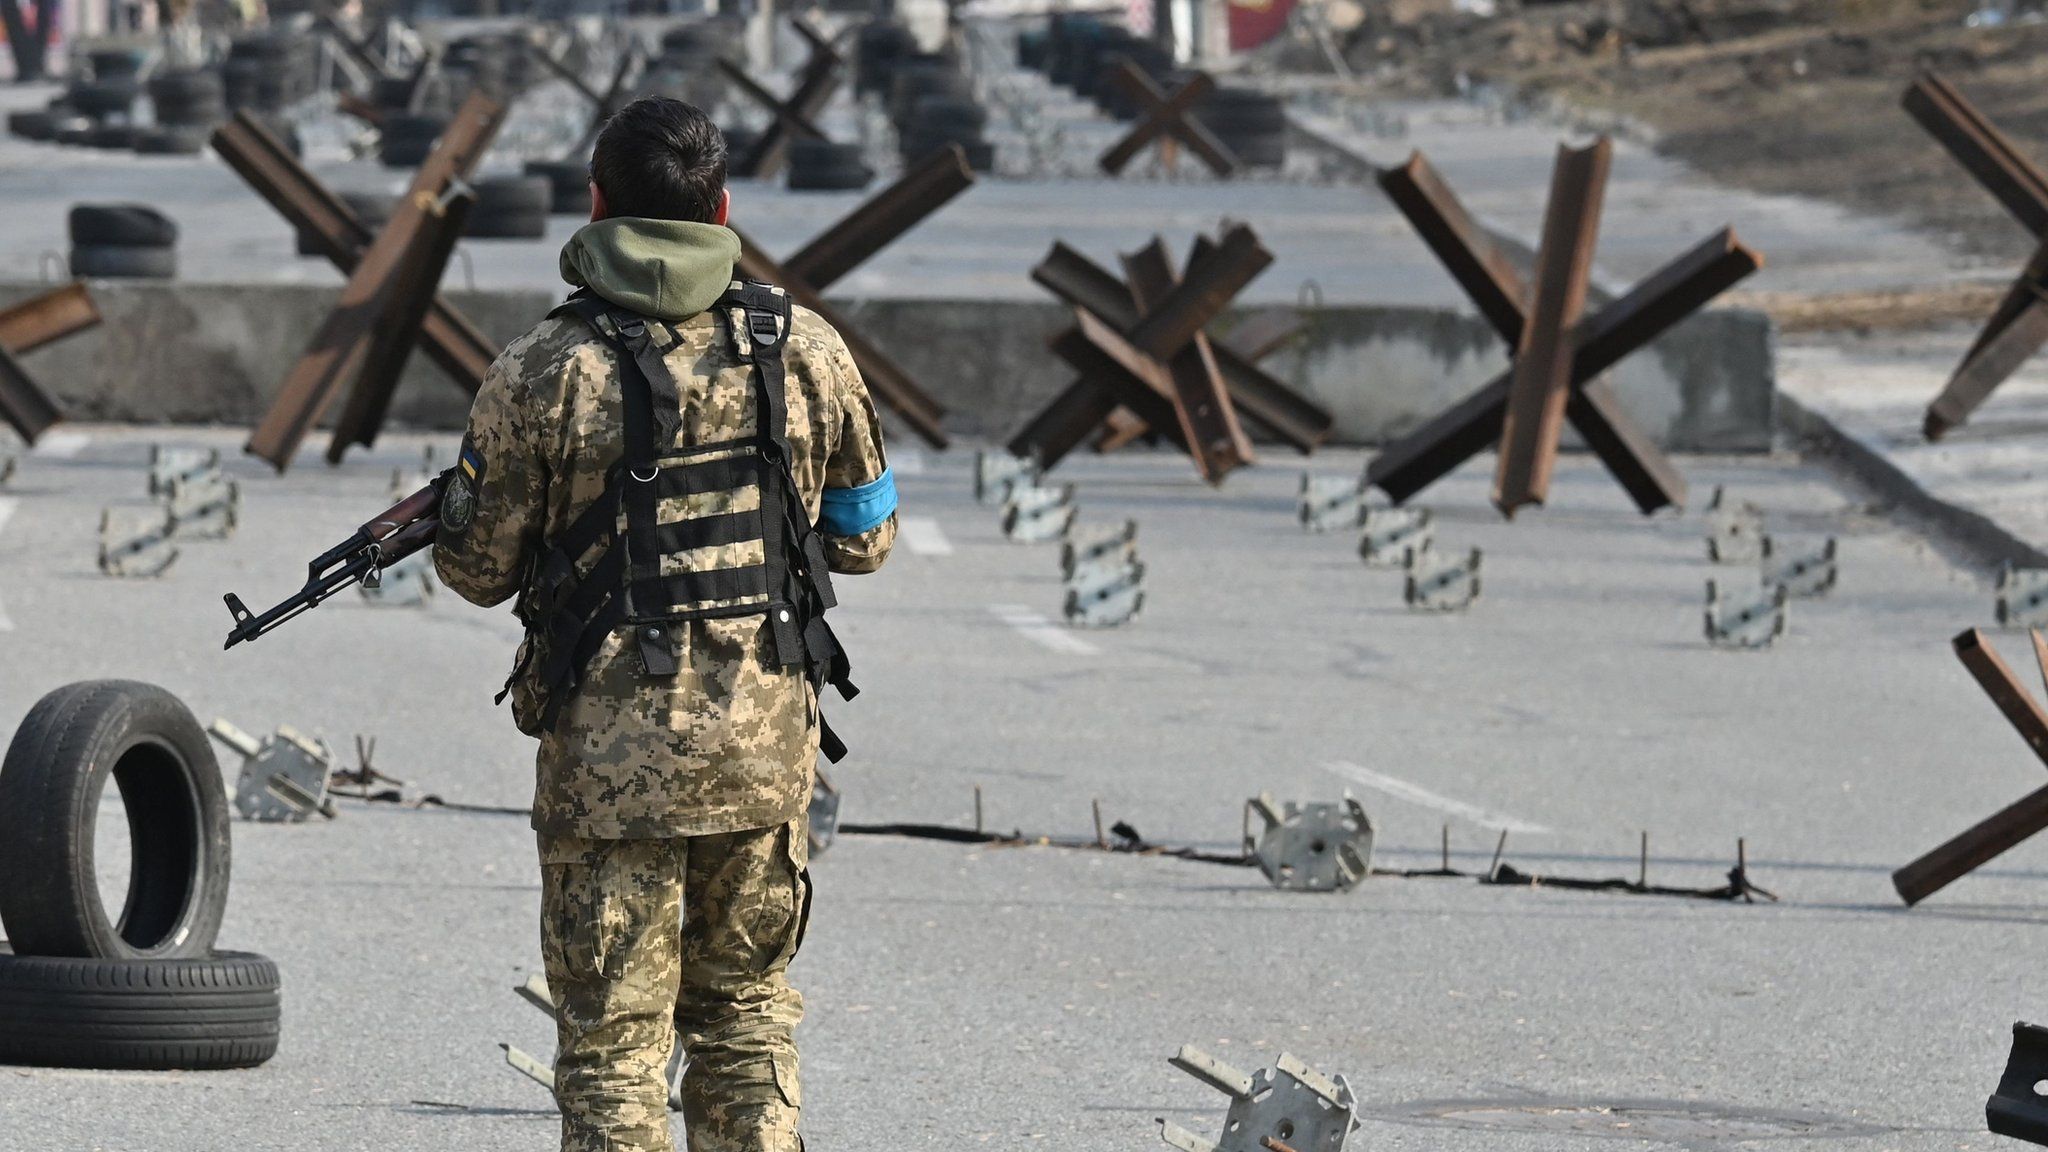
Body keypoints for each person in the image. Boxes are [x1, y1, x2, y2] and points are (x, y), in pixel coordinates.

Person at [433, 95, 898, 1152]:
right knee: (745, 1024)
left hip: (608, 774)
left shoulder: (542, 371)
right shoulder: (805, 350)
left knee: (611, 1051)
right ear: (720, 209)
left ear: (597, 207)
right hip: (763, 761)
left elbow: (475, 569)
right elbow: (867, 535)